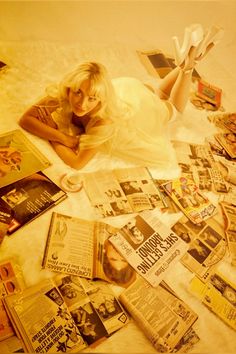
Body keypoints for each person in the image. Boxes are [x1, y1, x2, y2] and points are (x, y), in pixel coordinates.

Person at [19, 24, 223, 172]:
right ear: (70, 88)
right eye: (78, 93)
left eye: (92, 98)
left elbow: (77, 163)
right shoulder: (63, 94)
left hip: (137, 114)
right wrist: (63, 137)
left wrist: (53, 133)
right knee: (158, 94)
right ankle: (184, 64)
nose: (82, 103)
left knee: (171, 110)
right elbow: (25, 120)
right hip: (129, 91)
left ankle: (188, 68)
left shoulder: (102, 122)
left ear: (101, 97)